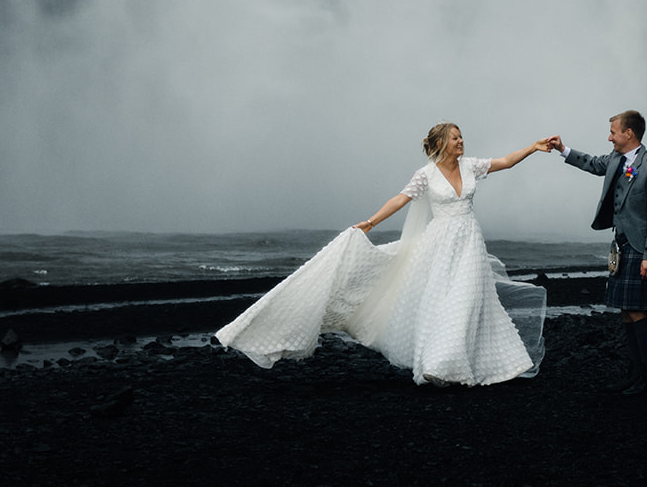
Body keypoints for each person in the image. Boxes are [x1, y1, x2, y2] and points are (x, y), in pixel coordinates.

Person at [215, 123, 552, 386]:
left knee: (471, 301)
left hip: (470, 244)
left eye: (461, 137)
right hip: (441, 245)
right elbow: (400, 199)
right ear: (439, 145)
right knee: (443, 303)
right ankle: (438, 364)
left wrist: (534, 148)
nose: (461, 142)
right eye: (454, 138)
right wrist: (371, 222)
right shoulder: (426, 175)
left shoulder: (471, 166)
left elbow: (505, 162)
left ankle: (470, 361)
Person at [546, 109, 647, 395]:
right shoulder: (616, 159)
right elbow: (592, 163)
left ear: (629, 134)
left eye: (614, 132)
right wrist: (563, 149)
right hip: (622, 246)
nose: (609, 137)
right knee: (627, 312)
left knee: (638, 312)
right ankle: (634, 372)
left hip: (641, 249)